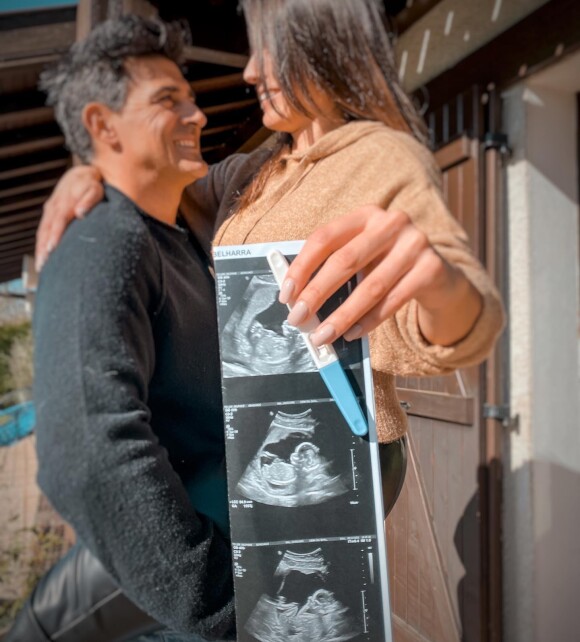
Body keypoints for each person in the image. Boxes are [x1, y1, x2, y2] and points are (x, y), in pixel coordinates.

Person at [15, 1, 505, 641]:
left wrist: (444, 289)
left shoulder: (384, 158)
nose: (248, 73)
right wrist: (89, 167)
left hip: (329, 456)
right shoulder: (254, 173)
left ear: (320, 43)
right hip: (248, 459)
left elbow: (464, 314)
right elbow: (154, 184)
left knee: (63, 622)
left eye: (266, 51)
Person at [5, 15, 235, 642]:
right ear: (103, 126)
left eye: (189, 97)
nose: (198, 115)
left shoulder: (183, 235)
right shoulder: (107, 243)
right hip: (174, 610)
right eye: (169, 101)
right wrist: (220, 603)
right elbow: (86, 453)